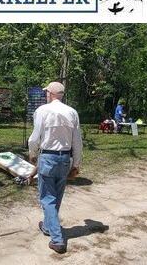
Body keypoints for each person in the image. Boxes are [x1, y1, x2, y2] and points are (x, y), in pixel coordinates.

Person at [27, 81, 83, 254]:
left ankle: (57, 239)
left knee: (47, 198)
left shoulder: (42, 111)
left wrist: (32, 154)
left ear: (50, 93)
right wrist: (76, 164)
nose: (45, 94)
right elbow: (77, 142)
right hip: (65, 158)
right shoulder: (72, 112)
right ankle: (47, 226)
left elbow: (34, 138)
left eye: (46, 92)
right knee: (56, 197)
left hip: (48, 157)